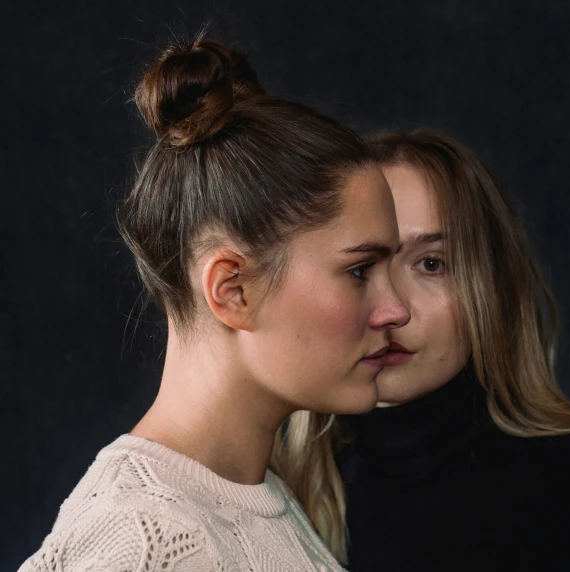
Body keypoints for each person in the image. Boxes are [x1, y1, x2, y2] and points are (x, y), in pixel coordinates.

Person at [18, 37, 411, 572]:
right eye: (360, 270)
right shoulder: (148, 541)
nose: (397, 310)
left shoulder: (252, 498)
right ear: (233, 290)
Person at [272, 129, 570, 570]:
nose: (391, 307)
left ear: (489, 288)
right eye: (361, 268)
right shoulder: (289, 499)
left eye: (431, 264)